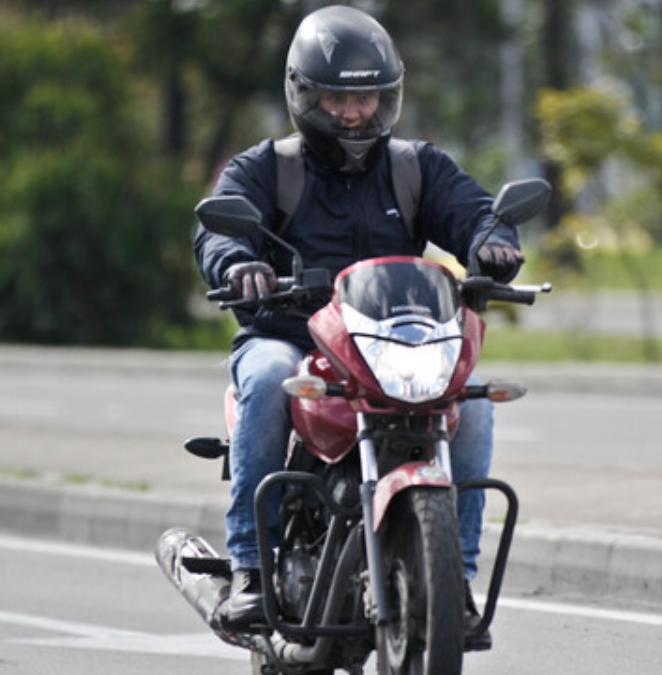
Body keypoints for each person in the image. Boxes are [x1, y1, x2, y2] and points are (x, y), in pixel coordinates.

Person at [193, 5, 523, 652]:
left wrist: (494, 242)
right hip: (292, 337)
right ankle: (251, 567)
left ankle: (454, 578)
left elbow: (476, 212)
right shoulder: (268, 169)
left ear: (387, 96)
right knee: (268, 378)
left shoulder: (415, 167)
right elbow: (216, 232)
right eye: (337, 98)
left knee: (476, 407)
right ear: (303, 95)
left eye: (366, 97)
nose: (353, 113)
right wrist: (236, 263)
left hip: (391, 345)